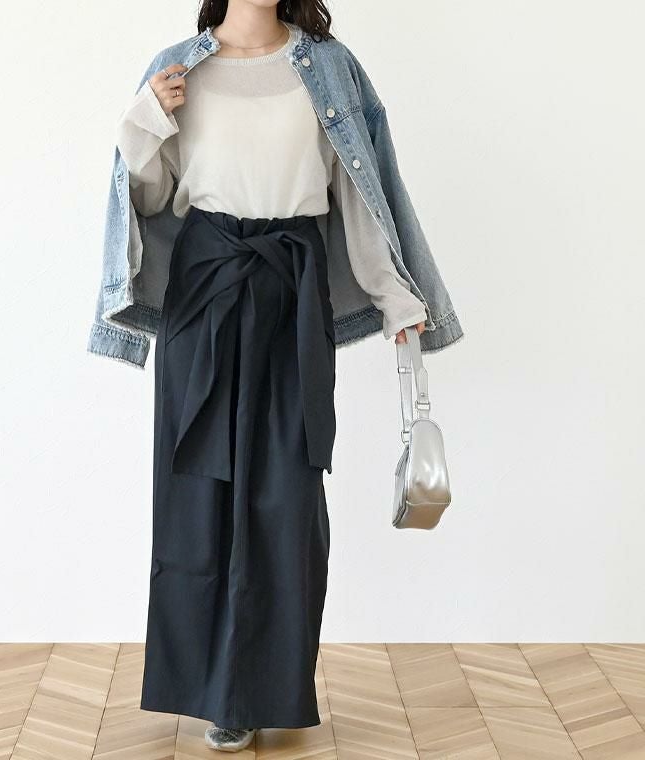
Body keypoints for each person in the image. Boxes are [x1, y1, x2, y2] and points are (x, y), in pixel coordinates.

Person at [99, 0, 463, 752]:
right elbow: (151, 198)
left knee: (285, 500)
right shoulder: (177, 69)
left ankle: (265, 689)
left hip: (292, 292)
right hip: (204, 292)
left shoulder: (330, 67)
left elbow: (363, 192)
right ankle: (213, 695)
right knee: (197, 495)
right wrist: (143, 122)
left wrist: (399, 298)